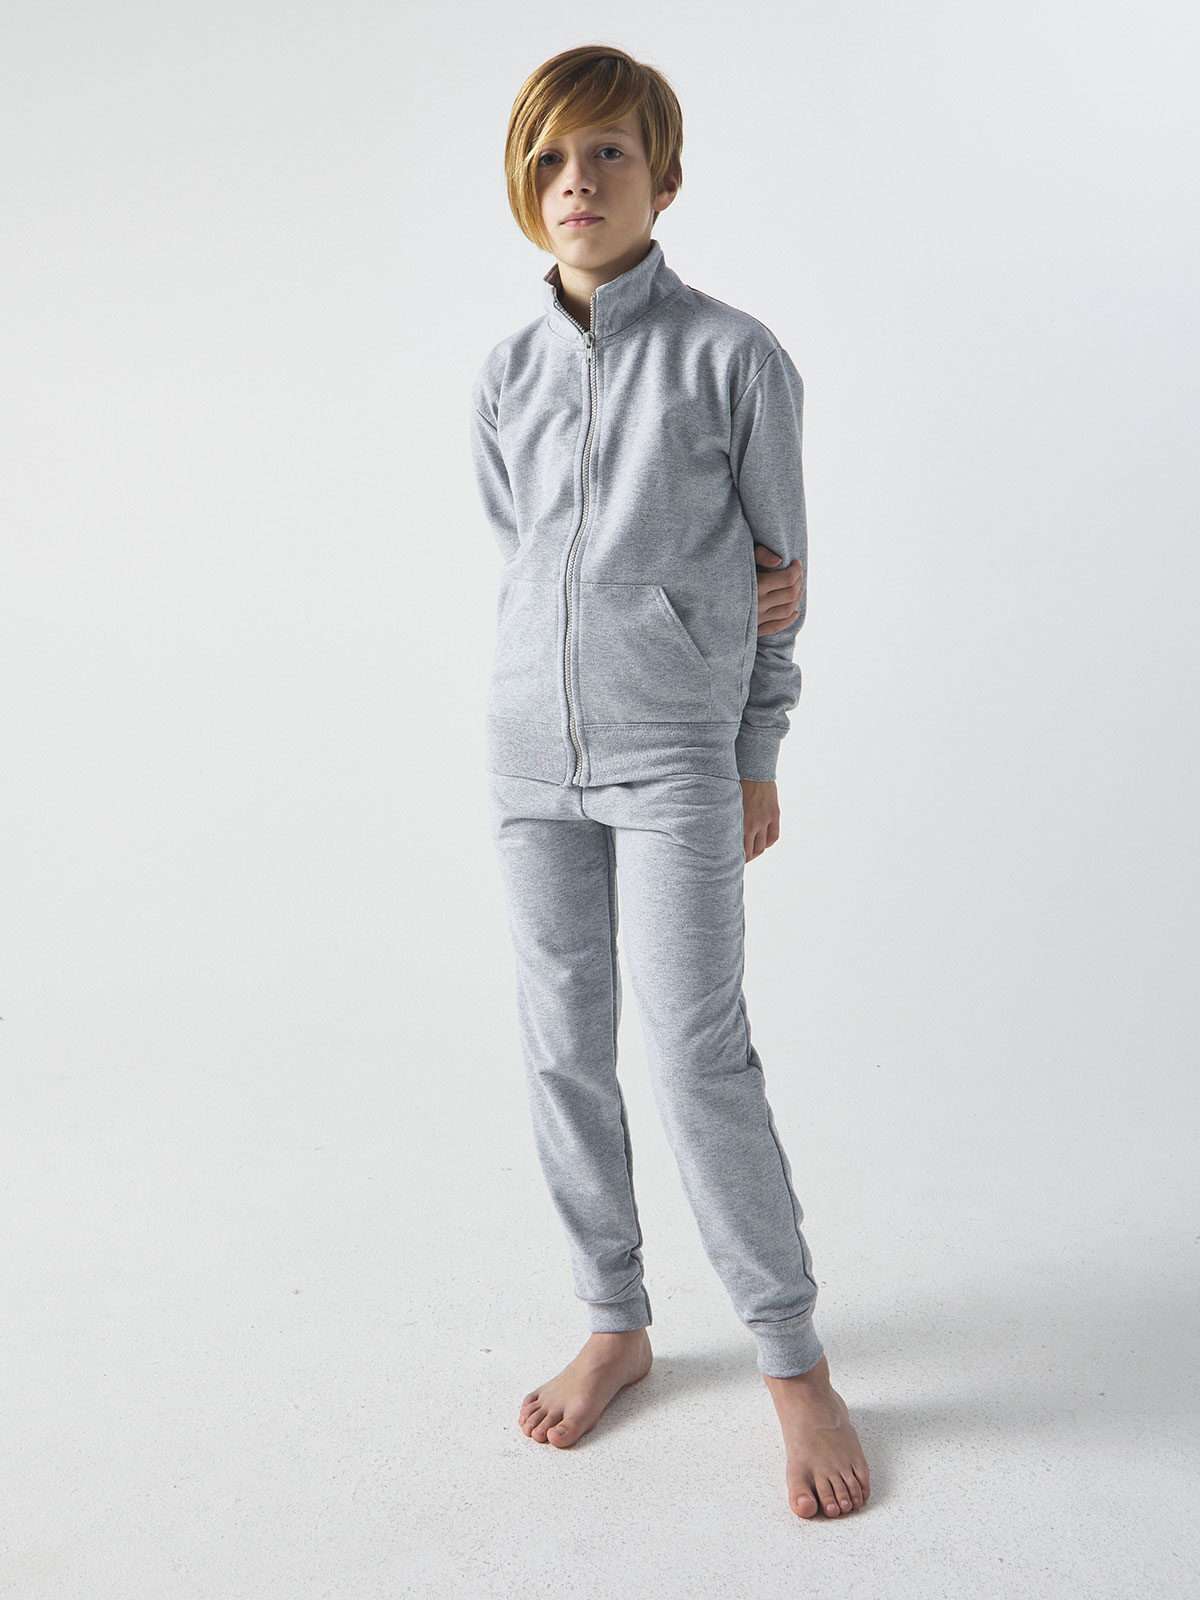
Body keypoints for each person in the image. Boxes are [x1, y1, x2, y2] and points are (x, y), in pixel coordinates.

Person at [468, 44, 871, 1520]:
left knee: (699, 1055)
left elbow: (783, 577)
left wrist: (754, 750)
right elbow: (526, 552)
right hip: (530, 757)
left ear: (665, 176)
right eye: (552, 160)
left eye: (609, 154)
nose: (578, 181)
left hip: (673, 758)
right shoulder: (506, 372)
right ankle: (615, 1321)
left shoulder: (734, 358)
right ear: (528, 188)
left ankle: (792, 1359)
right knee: (562, 1047)